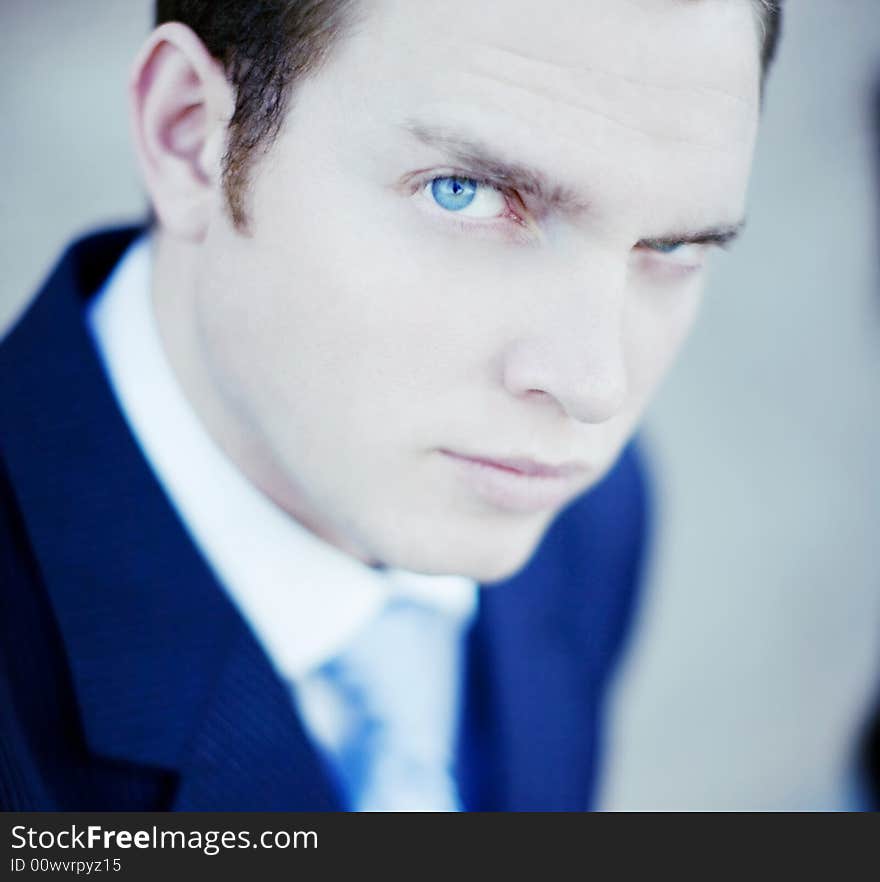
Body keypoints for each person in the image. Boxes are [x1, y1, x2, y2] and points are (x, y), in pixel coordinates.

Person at [0, 0, 782, 811]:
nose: (594, 388)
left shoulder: (584, 520)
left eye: (672, 245)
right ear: (191, 135)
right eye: (465, 192)